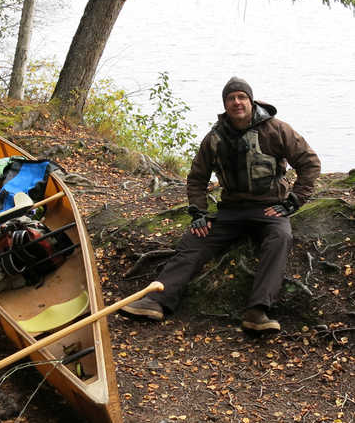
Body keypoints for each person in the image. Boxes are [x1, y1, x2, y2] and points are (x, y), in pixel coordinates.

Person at [121, 76, 320, 332]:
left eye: (241, 97)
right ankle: (156, 300)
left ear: (250, 100)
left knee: (280, 239)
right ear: (225, 104)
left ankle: (257, 311)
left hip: (269, 209)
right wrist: (199, 212)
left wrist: (293, 201)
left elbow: (310, 163)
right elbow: (197, 178)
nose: (237, 102)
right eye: (231, 98)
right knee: (194, 239)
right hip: (231, 211)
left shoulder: (277, 130)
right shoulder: (215, 137)